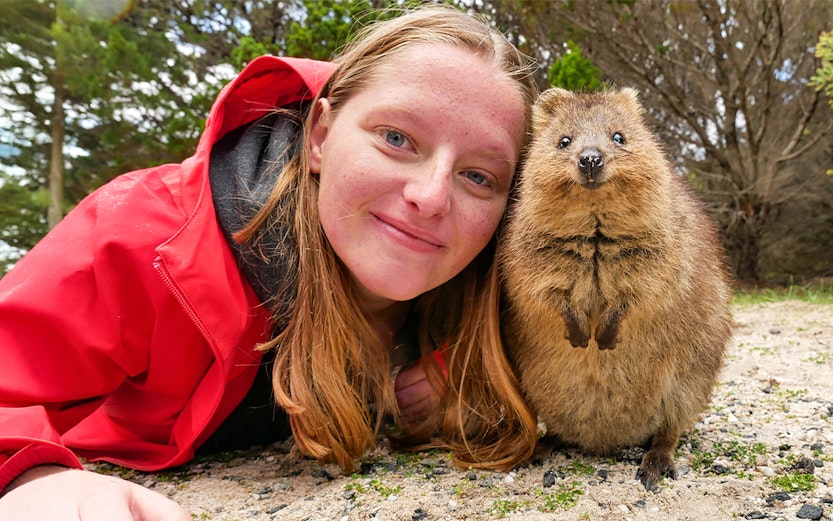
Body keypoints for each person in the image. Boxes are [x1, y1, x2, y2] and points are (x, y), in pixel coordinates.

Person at [0, 5, 539, 519]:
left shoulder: (514, 280)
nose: (432, 195)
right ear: (321, 137)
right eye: (396, 138)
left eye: (478, 176)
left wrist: (456, 369)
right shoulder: (151, 235)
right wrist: (32, 478)